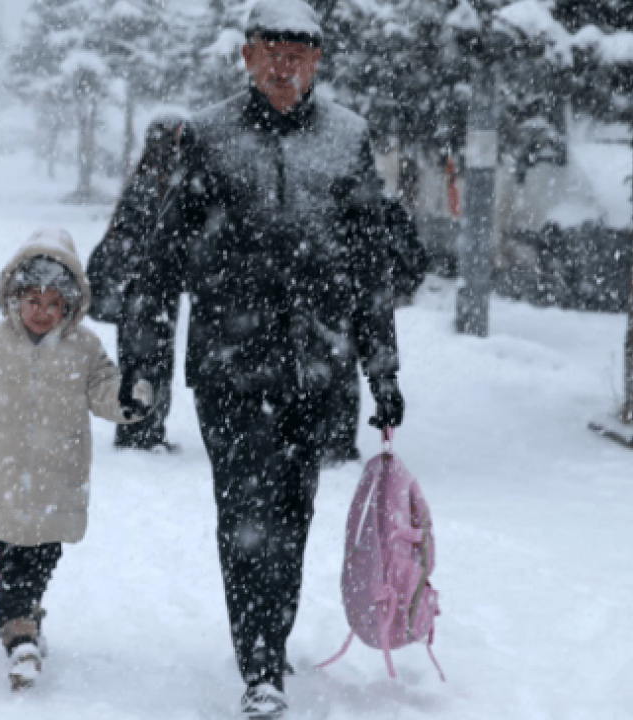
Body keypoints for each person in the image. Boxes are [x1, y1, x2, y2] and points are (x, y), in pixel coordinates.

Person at [116, 1, 406, 717]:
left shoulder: (347, 139)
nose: (284, 66)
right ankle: (259, 665)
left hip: (316, 365)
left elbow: (369, 265)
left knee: (293, 511)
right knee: (244, 514)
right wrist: (144, 363)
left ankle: (271, 636)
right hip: (230, 366)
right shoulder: (208, 136)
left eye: (298, 55)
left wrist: (382, 370)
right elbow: (163, 259)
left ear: (316, 62)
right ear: (246, 57)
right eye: (271, 52)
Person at [0, 229, 153, 691]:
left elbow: (105, 392)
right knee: (13, 561)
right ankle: (20, 638)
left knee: (42, 558)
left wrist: (130, 398)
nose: (42, 312)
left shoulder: (84, 349)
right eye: (32, 301)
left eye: (54, 303)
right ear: (14, 297)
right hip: (3, 480)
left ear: (70, 305)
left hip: (58, 481)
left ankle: (27, 615)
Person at [86, 115, 185, 452]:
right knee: (146, 364)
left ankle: (142, 430)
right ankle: (140, 433)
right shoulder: (153, 186)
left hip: (145, 293)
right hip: (145, 293)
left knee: (143, 362)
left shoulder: (149, 181)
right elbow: (144, 244)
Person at [319, 197, 427, 467]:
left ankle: (334, 449)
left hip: (275, 397)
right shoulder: (370, 213)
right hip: (311, 397)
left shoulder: (329, 210)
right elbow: (376, 307)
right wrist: (385, 382)